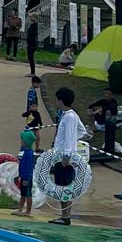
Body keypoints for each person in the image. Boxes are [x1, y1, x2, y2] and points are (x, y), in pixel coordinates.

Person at [50, 84, 85, 226]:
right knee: (62, 184)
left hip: (64, 158)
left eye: (57, 100)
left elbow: (71, 135)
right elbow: (82, 131)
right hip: (61, 154)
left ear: (61, 101)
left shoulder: (69, 117)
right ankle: (64, 215)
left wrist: (67, 154)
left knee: (64, 185)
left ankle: (66, 216)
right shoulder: (71, 115)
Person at [89, 88, 120, 159]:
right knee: (92, 111)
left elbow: (110, 108)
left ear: (111, 95)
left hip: (110, 121)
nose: (106, 95)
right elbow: (92, 105)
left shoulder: (113, 102)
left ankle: (110, 150)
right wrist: (90, 110)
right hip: (102, 120)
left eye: (108, 94)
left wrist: (100, 110)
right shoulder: (103, 101)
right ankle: (94, 127)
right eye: (105, 94)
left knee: (107, 112)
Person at [15, 127, 37, 216]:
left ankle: (28, 211)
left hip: (27, 177)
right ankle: (20, 209)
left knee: (28, 194)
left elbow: (29, 167)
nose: (21, 141)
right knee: (23, 194)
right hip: (23, 176)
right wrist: (20, 175)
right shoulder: (25, 151)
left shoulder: (29, 153)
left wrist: (27, 178)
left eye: (22, 140)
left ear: (26, 142)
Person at [25, 0, 41, 78]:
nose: (29, 18)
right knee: (30, 57)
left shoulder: (34, 25)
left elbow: (33, 35)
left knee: (31, 57)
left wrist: (31, 43)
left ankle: (33, 72)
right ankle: (32, 72)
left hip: (32, 43)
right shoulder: (32, 25)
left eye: (31, 17)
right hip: (31, 43)